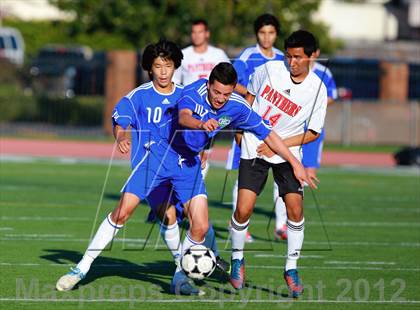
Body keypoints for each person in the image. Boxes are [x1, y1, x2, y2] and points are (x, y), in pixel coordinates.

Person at [55, 39, 224, 297]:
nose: (164, 71)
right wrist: (121, 136)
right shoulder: (139, 96)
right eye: (158, 66)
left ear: (176, 66)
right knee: (124, 213)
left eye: (168, 65)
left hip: (183, 167)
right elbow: (120, 120)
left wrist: (202, 151)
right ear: (150, 68)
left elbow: (199, 128)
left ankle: (180, 277)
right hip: (151, 165)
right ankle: (81, 268)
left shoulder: (186, 96)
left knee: (190, 223)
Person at [229, 30, 328, 299]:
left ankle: (291, 268)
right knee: (243, 209)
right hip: (253, 145)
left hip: (288, 154)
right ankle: (237, 259)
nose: (292, 62)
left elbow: (313, 133)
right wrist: (240, 129)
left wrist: (278, 142)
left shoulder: (317, 89)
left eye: (298, 57)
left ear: (311, 57)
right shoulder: (269, 69)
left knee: (295, 210)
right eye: (289, 56)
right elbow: (249, 97)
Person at [226, 13, 284, 243]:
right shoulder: (248, 56)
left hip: (275, 124)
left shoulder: (282, 58)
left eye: (271, 33)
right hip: (248, 121)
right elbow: (232, 83)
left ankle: (281, 225)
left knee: (281, 172)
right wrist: (253, 93)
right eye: (262, 32)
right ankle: (239, 226)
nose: (266, 37)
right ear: (256, 34)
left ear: (276, 34)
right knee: (245, 176)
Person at [274, 45, 338, 239]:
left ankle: (293, 215)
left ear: (314, 54)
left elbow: (332, 96)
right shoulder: (286, 71)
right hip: (289, 130)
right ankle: (280, 223)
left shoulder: (323, 73)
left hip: (310, 132)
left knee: (306, 175)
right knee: (283, 174)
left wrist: (314, 106)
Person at [173, 19, 230, 179]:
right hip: (191, 109)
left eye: (200, 32)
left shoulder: (218, 54)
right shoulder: (184, 54)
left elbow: (229, 77)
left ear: (207, 34)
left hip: (213, 108)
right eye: (193, 32)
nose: (196, 35)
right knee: (188, 151)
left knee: (205, 152)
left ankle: (195, 186)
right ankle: (185, 186)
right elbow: (176, 82)